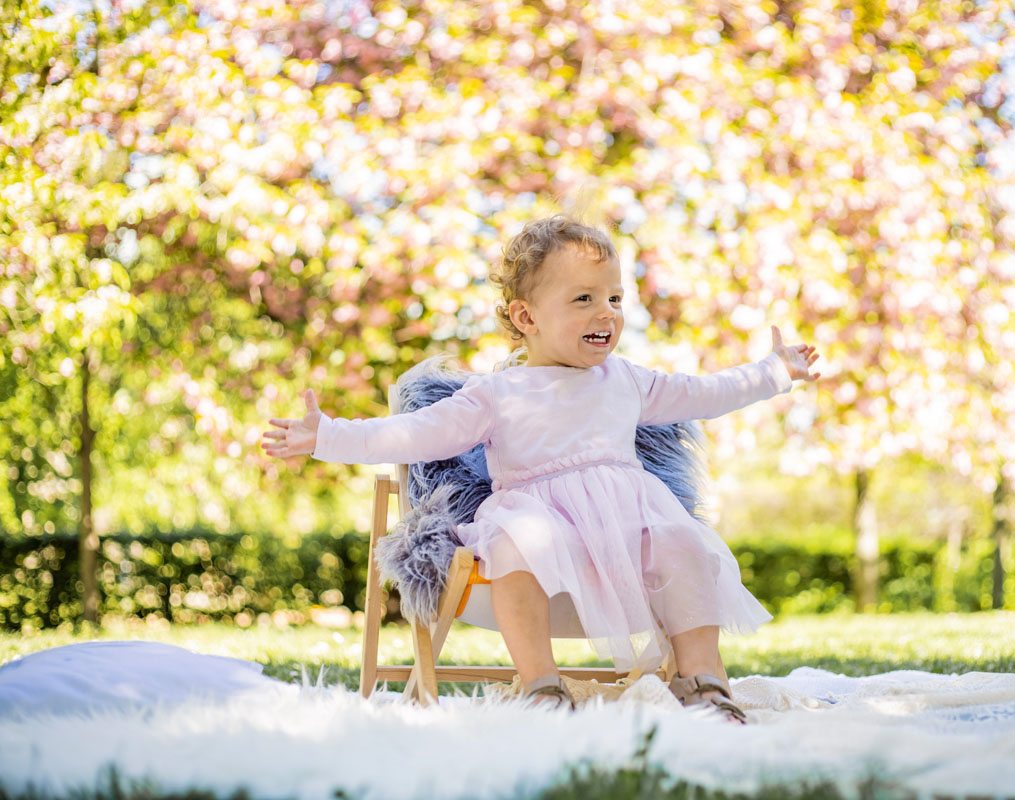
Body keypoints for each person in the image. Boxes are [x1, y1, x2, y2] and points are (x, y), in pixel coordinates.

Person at [262, 214, 820, 723]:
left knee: (683, 542)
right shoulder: (496, 393)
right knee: (517, 543)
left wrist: (773, 371)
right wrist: (328, 435)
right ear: (526, 317)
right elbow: (415, 433)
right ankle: (541, 684)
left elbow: (704, 392)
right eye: (584, 298)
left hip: (627, 527)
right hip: (539, 521)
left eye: (615, 298)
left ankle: (704, 681)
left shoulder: (627, 380)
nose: (607, 313)